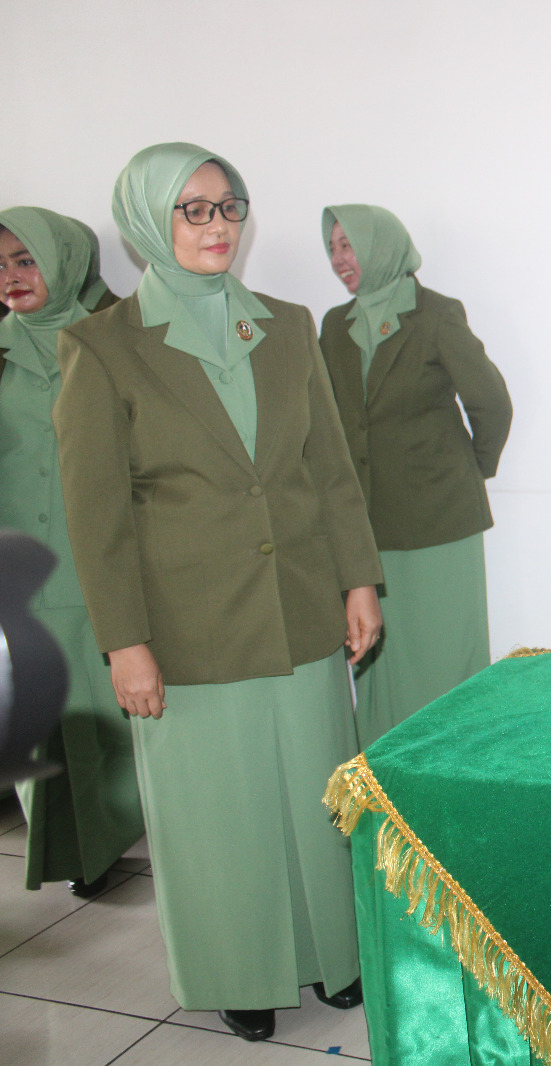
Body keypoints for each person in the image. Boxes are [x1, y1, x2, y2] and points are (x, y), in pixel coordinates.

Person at [53, 143, 382, 1042]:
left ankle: (335, 953)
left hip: (299, 605)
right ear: (145, 221)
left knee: (317, 793)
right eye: (193, 209)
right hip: (186, 627)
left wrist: (358, 578)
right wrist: (125, 641)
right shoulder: (101, 347)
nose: (219, 225)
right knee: (219, 811)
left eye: (229, 205)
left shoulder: (287, 325)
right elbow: (97, 515)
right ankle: (241, 969)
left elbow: (329, 468)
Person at [319, 204, 512, 748]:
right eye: (332, 247)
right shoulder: (334, 326)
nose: (339, 259)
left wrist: (471, 470)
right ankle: (384, 779)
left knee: (444, 659)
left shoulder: (436, 315)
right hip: (365, 530)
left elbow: (492, 403)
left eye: (349, 244)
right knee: (378, 661)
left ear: (381, 245)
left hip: (439, 524)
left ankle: (454, 772)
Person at [0, 206, 143, 897]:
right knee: (41, 719)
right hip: (20, 570)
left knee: (106, 717)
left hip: (97, 561)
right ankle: (76, 854)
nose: (11, 277)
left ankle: (115, 836)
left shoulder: (112, 338)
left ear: (60, 261)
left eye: (26, 260)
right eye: (1, 265)